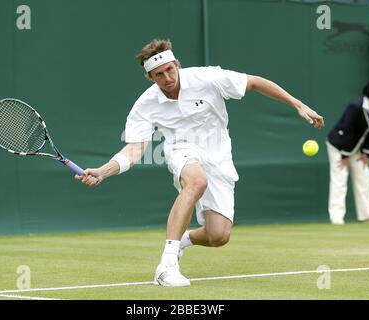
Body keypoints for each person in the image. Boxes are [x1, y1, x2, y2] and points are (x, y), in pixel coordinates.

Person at [75, 39, 324, 286]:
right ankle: (167, 266)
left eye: (170, 69)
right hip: (181, 149)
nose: (168, 77)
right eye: (159, 74)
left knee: (219, 235)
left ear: (177, 65)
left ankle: (183, 239)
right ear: (151, 77)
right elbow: (134, 150)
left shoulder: (207, 78)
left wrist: (297, 104)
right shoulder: (145, 105)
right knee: (196, 181)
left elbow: (255, 82)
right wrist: (103, 171)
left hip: (219, 157)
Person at [327, 79, 369, 225]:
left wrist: (367, 153)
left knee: (364, 175)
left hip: (357, 148)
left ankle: (367, 214)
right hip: (339, 145)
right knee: (340, 178)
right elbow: (347, 130)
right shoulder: (355, 106)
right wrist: (344, 155)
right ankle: (336, 216)